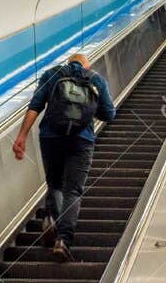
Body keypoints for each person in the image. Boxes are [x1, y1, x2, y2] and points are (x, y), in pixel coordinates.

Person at [12, 52, 115, 262]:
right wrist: (87, 111)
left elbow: (35, 106)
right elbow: (109, 114)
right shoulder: (95, 79)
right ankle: (63, 240)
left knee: (55, 184)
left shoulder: (52, 74)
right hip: (81, 140)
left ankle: (52, 219)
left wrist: (21, 137)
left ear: (69, 62)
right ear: (86, 65)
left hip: (51, 137)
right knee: (73, 190)